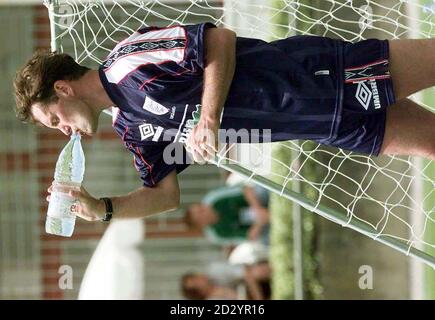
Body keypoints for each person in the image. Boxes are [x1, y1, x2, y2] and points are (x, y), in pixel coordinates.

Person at [13, 22, 435, 222]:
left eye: (54, 119)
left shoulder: (129, 61)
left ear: (64, 89)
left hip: (320, 78)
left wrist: (208, 120)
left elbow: (219, 41)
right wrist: (102, 207)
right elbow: (163, 195)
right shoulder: (129, 127)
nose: (63, 130)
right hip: (326, 126)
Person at [185, 184, 270, 245]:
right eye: (201, 213)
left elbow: (247, 190)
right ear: (202, 224)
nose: (204, 208)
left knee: (260, 191)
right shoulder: (217, 234)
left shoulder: (213, 198)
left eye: (200, 207)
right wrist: (260, 221)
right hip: (260, 226)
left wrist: (257, 209)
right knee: (265, 240)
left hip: (256, 202)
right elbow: (250, 236)